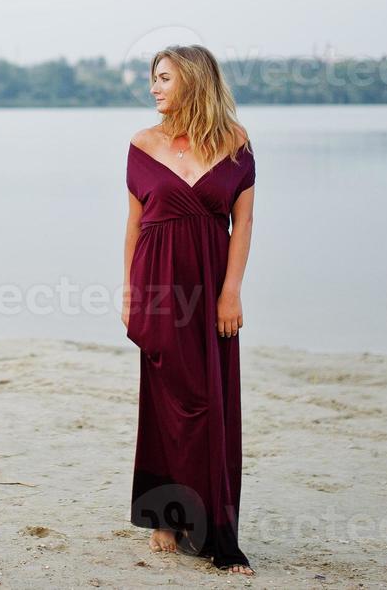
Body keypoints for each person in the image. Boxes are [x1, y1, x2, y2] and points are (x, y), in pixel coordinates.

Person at [122, 44, 257, 575]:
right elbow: (134, 224)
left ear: (195, 82)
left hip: (210, 286)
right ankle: (163, 515)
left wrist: (232, 292)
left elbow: (242, 225)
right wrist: (130, 293)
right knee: (164, 397)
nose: (154, 87)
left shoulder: (236, 143)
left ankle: (218, 533)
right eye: (152, 78)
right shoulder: (140, 144)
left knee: (210, 401)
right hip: (156, 286)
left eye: (164, 78)